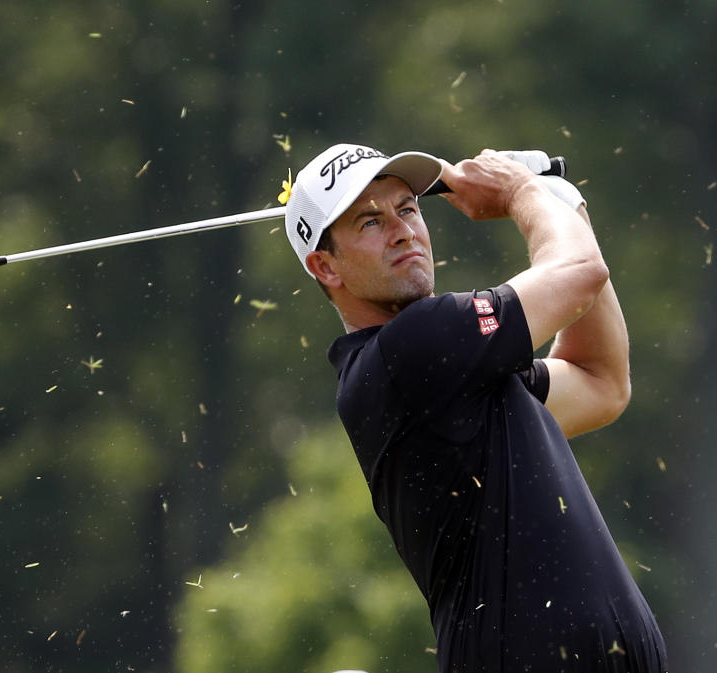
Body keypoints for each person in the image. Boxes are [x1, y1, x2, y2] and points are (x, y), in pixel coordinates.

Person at [282, 144, 667, 672]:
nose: (402, 230)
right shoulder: (409, 350)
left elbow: (600, 381)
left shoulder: (451, 372)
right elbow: (578, 272)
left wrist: (563, 201)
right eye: (370, 222)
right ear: (325, 267)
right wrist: (522, 192)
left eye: (408, 208)